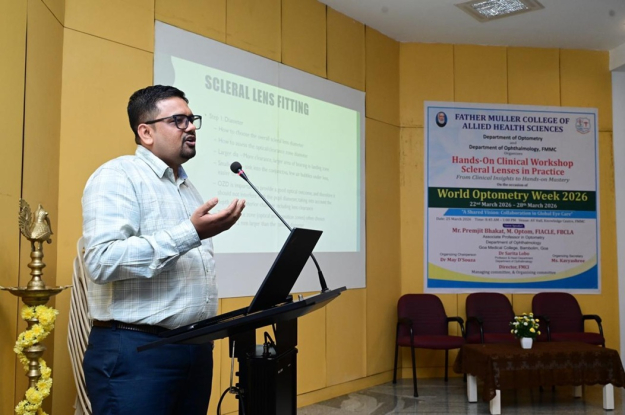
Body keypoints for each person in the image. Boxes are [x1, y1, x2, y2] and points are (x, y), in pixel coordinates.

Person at [81, 85, 245, 415]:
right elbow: (101, 261)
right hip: (137, 351)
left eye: (192, 119)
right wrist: (190, 233)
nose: (191, 127)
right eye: (178, 120)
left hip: (194, 348)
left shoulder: (187, 188)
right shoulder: (118, 175)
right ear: (146, 132)